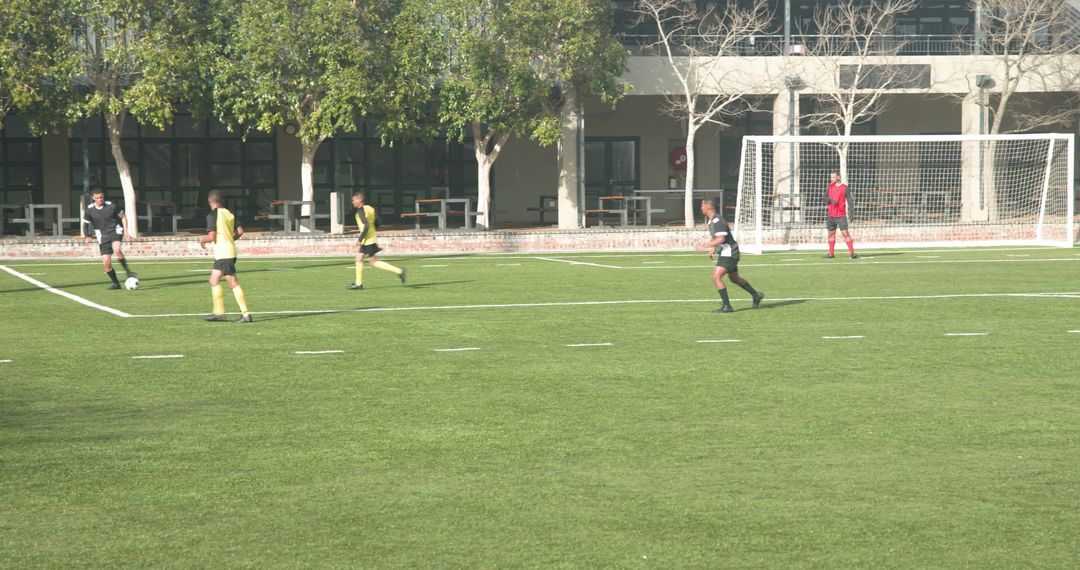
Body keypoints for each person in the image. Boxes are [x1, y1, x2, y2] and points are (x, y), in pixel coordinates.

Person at [696, 198, 764, 313]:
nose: (701, 208)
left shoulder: (718, 220)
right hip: (726, 252)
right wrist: (713, 248)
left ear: (708, 207)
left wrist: (705, 245)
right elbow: (717, 237)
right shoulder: (712, 221)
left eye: (702, 206)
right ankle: (756, 295)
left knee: (716, 277)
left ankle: (727, 306)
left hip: (730, 253)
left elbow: (721, 238)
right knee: (734, 278)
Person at [198, 191, 252, 323]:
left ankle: (246, 314)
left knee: (232, 282)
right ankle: (219, 313)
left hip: (223, 254)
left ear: (210, 200)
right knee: (213, 280)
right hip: (228, 251)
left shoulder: (212, 215)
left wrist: (202, 240)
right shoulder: (229, 213)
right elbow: (240, 231)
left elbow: (212, 236)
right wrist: (230, 240)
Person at [347, 193, 406, 290]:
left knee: (373, 263)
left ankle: (400, 271)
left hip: (368, 239)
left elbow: (365, 225)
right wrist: (372, 230)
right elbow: (378, 221)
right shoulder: (370, 208)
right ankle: (358, 284)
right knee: (358, 259)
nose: (353, 202)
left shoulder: (361, 211)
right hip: (370, 237)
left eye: (354, 200)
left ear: (359, 200)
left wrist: (360, 238)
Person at [82, 187, 137, 289]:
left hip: (115, 230)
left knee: (117, 249)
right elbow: (85, 224)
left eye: (101, 197)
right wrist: (87, 236)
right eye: (97, 198)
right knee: (106, 263)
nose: (100, 199)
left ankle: (128, 272)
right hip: (102, 235)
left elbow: (123, 216)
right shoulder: (89, 209)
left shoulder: (111, 206)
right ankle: (116, 283)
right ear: (93, 198)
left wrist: (126, 232)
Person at [825, 171, 858, 259]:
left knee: (845, 233)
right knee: (831, 234)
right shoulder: (830, 187)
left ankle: (852, 253)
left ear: (838, 177)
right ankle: (831, 254)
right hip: (831, 215)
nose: (831, 179)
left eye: (833, 177)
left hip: (840, 215)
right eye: (831, 177)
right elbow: (824, 197)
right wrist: (831, 200)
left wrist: (851, 213)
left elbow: (850, 201)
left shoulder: (844, 188)